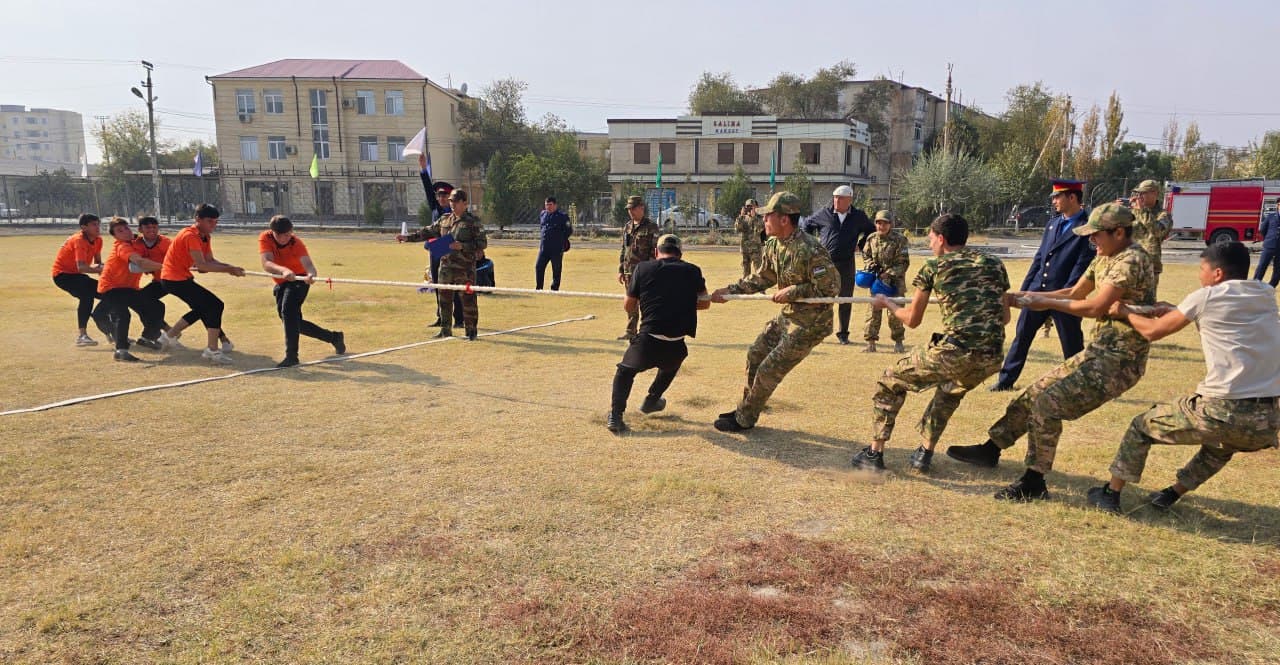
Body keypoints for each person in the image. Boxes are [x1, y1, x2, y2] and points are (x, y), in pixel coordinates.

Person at [947, 203, 1156, 502]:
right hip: (1099, 353)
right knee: (1031, 395)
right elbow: (1073, 293)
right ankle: (990, 450)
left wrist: (1042, 304)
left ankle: (1034, 481)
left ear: (1119, 232)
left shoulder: (1131, 261)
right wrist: (1026, 297)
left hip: (1120, 362)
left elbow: (1094, 307)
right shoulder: (1106, 256)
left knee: (1047, 405)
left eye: (1096, 235)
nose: (1091, 241)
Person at [1087, 242, 1280, 513]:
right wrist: (1180, 309)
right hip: (1267, 421)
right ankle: (1170, 494)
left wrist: (1125, 312)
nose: (1199, 276)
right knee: (1222, 446)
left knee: (1141, 426)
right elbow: (1226, 316)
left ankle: (1110, 493)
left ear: (1218, 274)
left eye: (1202, 269)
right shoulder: (1264, 294)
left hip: (1222, 409)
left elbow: (1153, 331)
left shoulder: (1206, 297)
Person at [853, 213, 1010, 472]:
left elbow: (912, 320)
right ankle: (924, 453)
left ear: (942, 238)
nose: (929, 244)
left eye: (931, 239)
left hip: (954, 352)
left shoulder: (934, 266)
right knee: (949, 392)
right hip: (991, 357)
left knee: (889, 381)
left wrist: (886, 302)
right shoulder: (993, 263)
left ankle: (873, 454)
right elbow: (1004, 317)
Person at [710, 191, 840, 432]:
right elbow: (763, 277)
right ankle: (747, 407)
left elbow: (831, 289)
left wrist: (793, 291)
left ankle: (745, 417)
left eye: (768, 216)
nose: (763, 221)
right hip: (790, 315)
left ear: (784, 219)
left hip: (812, 322)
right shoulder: (773, 245)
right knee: (755, 354)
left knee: (770, 367)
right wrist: (730, 291)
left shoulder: (811, 249)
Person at [990, 179, 1095, 392]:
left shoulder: (1086, 227)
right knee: (1022, 336)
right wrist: (1026, 288)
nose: (1054, 201)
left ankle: (1080, 384)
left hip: (1064, 294)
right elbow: (1040, 258)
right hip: (1038, 291)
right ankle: (1005, 380)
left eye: (1058, 196)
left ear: (1072, 197)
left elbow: (1082, 264)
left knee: (1071, 340)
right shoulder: (1053, 223)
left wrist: (1068, 294)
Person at [607, 234, 709, 433]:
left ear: (656, 252)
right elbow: (705, 303)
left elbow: (629, 306)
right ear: (680, 253)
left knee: (625, 371)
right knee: (671, 365)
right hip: (676, 346)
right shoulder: (693, 270)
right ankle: (651, 400)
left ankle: (616, 416)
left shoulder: (643, 268)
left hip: (648, 343)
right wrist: (680, 304)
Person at [159, 203, 246, 364]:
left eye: (215, 221)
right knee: (214, 305)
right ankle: (212, 350)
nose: (213, 225)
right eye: (209, 221)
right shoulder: (190, 235)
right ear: (197, 219)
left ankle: (169, 336)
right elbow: (202, 265)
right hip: (173, 279)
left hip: (180, 278)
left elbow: (209, 260)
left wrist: (230, 267)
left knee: (203, 308)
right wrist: (228, 270)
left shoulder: (205, 236)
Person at [132, 216, 233, 352]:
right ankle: (163, 333)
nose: (152, 230)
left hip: (173, 278)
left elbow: (187, 258)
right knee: (140, 301)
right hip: (162, 280)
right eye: (147, 227)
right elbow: (135, 265)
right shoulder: (137, 243)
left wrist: (202, 266)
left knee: (205, 306)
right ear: (140, 230)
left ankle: (168, 335)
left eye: (154, 227)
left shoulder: (166, 243)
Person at [259, 215, 347, 368]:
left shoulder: (295, 242)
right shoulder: (265, 238)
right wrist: (284, 270)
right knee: (292, 321)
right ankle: (333, 337)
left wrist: (311, 275)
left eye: (289, 233)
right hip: (283, 280)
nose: (288, 237)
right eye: (284, 235)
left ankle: (291, 356)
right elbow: (266, 263)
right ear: (274, 233)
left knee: (288, 313)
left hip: (299, 280)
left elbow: (309, 265)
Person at [399, 189, 487, 340]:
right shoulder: (445, 219)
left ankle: (471, 331)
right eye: (451, 201)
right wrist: (407, 238)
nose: (452, 205)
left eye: (456, 202)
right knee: (444, 299)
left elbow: (482, 243)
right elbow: (427, 232)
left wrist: (463, 246)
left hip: (464, 269)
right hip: (446, 267)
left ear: (464, 203)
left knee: (468, 300)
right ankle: (445, 330)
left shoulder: (473, 222)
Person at [801, 185, 875, 344]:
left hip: (847, 263)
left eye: (840, 198)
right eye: (835, 197)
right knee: (821, 297)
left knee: (845, 298)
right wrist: (812, 244)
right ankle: (817, 331)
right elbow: (806, 225)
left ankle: (843, 334)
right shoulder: (824, 213)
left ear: (849, 199)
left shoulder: (858, 216)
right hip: (825, 263)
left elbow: (871, 230)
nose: (836, 200)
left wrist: (861, 245)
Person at [96, 217, 164, 362]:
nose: (125, 232)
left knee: (157, 306)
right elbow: (139, 261)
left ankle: (147, 338)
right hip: (112, 287)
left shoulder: (135, 242)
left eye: (126, 228)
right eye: (120, 231)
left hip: (128, 289)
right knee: (123, 314)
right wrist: (167, 266)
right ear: (115, 236)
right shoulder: (122, 246)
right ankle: (121, 351)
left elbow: (152, 244)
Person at [51, 213, 112, 346]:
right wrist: (103, 269)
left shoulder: (98, 240)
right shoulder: (79, 240)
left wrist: (105, 276)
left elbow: (97, 263)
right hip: (63, 275)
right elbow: (82, 267)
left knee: (109, 294)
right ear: (84, 227)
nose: (97, 227)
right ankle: (82, 336)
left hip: (77, 276)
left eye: (98, 224)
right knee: (87, 296)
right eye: (94, 225)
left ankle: (112, 333)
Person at [417, 153, 462, 328]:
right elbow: (428, 189)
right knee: (436, 284)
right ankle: (441, 317)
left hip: (450, 250)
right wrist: (423, 169)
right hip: (437, 249)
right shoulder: (435, 209)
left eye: (445, 195)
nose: (442, 198)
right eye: (440, 195)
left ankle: (459, 318)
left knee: (453, 285)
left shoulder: (453, 211)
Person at [861, 210, 910, 354]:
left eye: (885, 223)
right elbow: (866, 254)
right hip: (877, 282)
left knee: (895, 314)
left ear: (891, 224)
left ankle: (898, 342)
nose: (881, 226)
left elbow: (903, 262)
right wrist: (871, 266)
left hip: (895, 283)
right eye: (878, 223)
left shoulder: (900, 240)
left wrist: (887, 274)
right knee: (873, 312)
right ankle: (871, 343)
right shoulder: (871, 238)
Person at [617, 195, 659, 341]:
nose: (631, 212)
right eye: (629, 209)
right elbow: (624, 249)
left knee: (646, 303)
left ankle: (646, 331)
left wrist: (651, 271)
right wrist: (621, 269)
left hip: (644, 273)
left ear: (641, 208)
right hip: (629, 272)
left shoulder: (651, 227)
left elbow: (655, 251)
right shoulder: (628, 226)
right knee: (631, 303)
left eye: (633, 208)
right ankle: (630, 331)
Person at [1128, 179, 1173, 291]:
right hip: (1129, 262)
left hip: (1150, 265)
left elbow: (1157, 230)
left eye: (1144, 193)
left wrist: (1142, 211)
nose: (1140, 196)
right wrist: (1116, 209)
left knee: (1146, 302)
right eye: (1138, 193)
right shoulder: (1133, 212)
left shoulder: (1163, 215)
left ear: (1155, 193)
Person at [535, 196, 572, 291]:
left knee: (556, 269)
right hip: (544, 248)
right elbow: (542, 228)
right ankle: (539, 288)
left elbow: (569, 231)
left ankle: (554, 288)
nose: (548, 207)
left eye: (550, 205)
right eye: (546, 205)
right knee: (539, 267)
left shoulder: (562, 216)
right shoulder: (543, 214)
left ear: (555, 205)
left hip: (556, 249)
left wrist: (560, 240)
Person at [733, 199, 764, 277]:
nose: (749, 208)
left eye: (751, 206)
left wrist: (754, 217)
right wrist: (740, 216)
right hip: (745, 248)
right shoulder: (743, 218)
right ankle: (745, 288)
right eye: (748, 207)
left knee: (758, 271)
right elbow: (737, 229)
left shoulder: (760, 218)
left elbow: (759, 229)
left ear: (756, 207)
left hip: (755, 249)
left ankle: (761, 289)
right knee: (745, 272)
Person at [1252, 204, 1280, 285]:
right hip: (1269, 245)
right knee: (1262, 265)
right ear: (1278, 205)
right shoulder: (1271, 216)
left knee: (1278, 269)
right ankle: (1255, 284)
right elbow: (1263, 229)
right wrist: (1268, 238)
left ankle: (1271, 286)